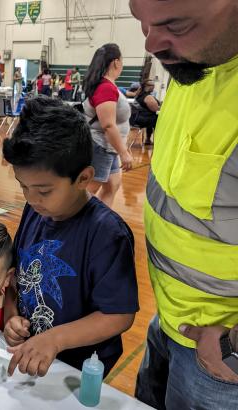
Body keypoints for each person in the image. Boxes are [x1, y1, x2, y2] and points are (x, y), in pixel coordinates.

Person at [130, 1, 238, 409]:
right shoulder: (194, 60)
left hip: (218, 357)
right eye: (141, 22)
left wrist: (231, 344)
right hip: (171, 322)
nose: (151, 43)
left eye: (175, 23)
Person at [2, 97, 139, 378]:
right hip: (33, 355)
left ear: (83, 177)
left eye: (43, 191)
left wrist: (55, 339)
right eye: (23, 186)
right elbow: (17, 277)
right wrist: (11, 317)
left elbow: (119, 314)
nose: (31, 198)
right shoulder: (34, 210)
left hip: (78, 367)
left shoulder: (107, 234)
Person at [82, 43, 133, 207]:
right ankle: (72, 227)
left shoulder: (107, 86)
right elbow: (108, 125)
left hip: (107, 147)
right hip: (100, 146)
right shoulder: (105, 88)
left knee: (112, 185)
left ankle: (101, 222)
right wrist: (124, 153)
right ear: (116, 62)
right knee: (87, 194)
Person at [130, 79, 159, 145]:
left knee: (153, 118)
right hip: (142, 119)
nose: (154, 86)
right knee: (159, 120)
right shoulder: (148, 97)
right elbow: (155, 109)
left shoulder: (139, 94)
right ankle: (159, 141)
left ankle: (148, 139)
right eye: (152, 85)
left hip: (135, 118)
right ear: (148, 86)